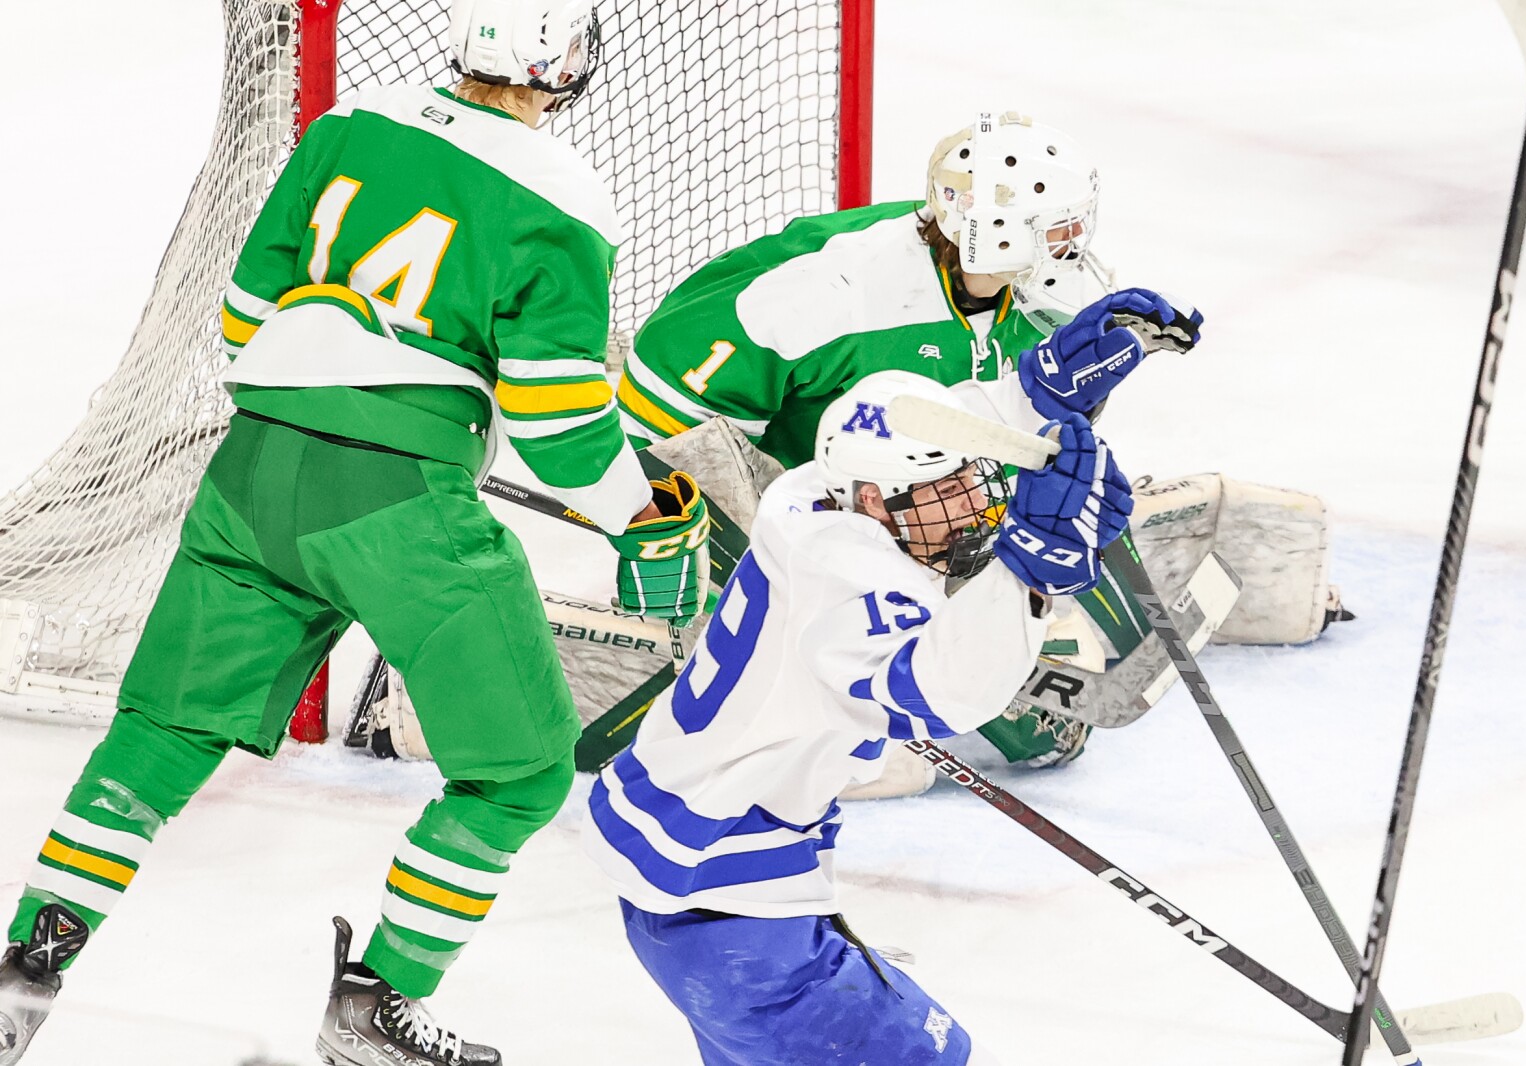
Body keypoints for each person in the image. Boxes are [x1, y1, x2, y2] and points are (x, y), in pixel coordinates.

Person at [0, 3, 707, 1064]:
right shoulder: (560, 191)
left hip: (251, 474)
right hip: (400, 509)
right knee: (519, 774)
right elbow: (561, 422)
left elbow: (246, 313)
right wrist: (640, 519)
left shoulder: (349, 123)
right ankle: (375, 1007)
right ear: (561, 60)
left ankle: (26, 967)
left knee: (160, 736)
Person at [612, 111, 1201, 768]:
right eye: (1056, 232)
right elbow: (661, 420)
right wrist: (731, 553)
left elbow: (1001, 422)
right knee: (1000, 721)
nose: (1072, 248)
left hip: (913, 494)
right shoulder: (826, 290)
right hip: (814, 508)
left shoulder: (1038, 294)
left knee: (1042, 705)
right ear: (997, 237)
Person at [582, 369, 1136, 1064]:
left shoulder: (811, 495)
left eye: (970, 479)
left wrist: (1040, 389)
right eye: (948, 491)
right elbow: (939, 694)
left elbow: (926, 425)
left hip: (684, 860)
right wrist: (1029, 570)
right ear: (874, 499)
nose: (974, 505)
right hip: (727, 901)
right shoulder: (849, 586)